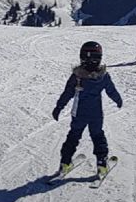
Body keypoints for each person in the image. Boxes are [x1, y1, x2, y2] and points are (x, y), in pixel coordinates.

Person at [52, 41, 123, 178]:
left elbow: (67, 93)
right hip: (96, 115)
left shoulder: (77, 76)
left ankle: (65, 163)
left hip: (79, 114)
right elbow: (111, 91)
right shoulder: (103, 77)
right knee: (97, 136)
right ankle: (102, 165)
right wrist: (118, 100)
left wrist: (59, 107)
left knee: (73, 136)